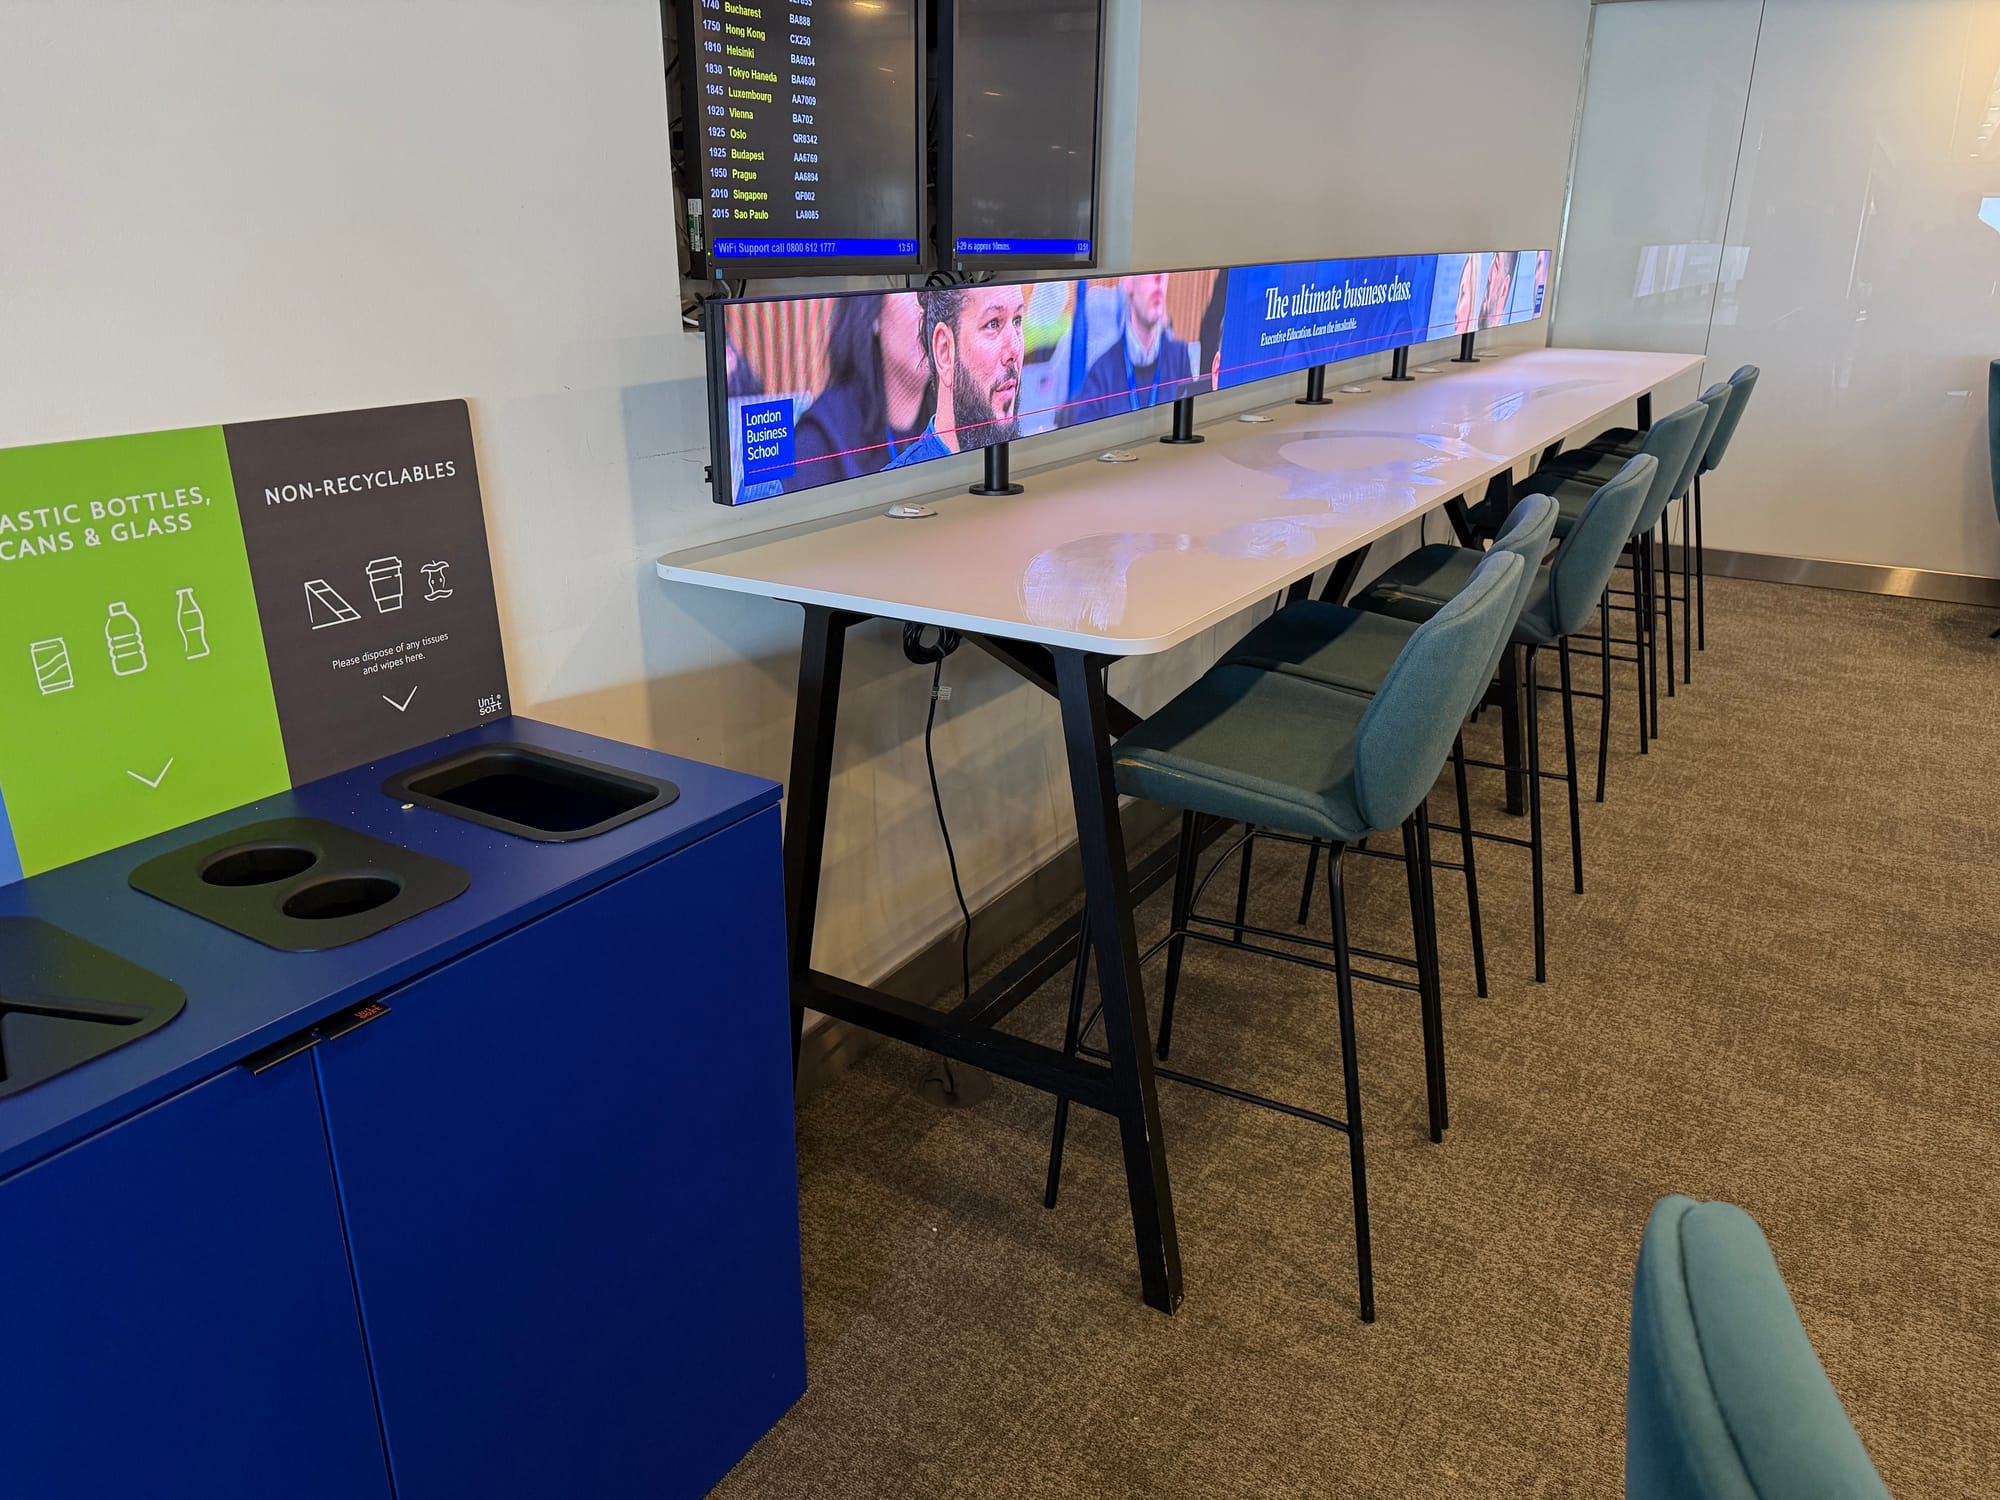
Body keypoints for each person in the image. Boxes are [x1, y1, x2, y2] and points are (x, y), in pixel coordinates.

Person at [792, 292, 935, 482]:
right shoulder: (818, 440)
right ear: (875, 312)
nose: (932, 309)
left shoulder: (954, 421)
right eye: (918, 293)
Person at [885, 283, 1025, 470]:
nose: (1014, 349)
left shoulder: (1036, 463)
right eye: (993, 324)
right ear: (944, 351)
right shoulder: (896, 489)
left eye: (1017, 321)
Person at [1060, 272, 1195, 427]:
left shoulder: (1179, 357)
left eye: (1164, 273)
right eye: (1150, 271)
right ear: (1128, 283)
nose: (1159, 278)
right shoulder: (1101, 372)